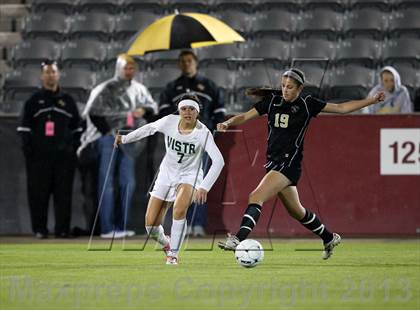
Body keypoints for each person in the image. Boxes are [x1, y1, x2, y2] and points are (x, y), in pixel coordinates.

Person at [217, 68, 385, 260]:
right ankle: (329, 237)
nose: (285, 90)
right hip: (273, 162)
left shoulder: (307, 104)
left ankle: (238, 239)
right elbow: (246, 116)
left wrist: (371, 100)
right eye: (283, 86)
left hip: (289, 163)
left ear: (300, 88)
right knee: (296, 211)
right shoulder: (273, 101)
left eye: (289, 87)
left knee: (256, 196)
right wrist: (229, 122)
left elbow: (342, 109)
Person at [115, 95, 225, 265]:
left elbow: (219, 161)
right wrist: (124, 138)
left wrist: (204, 187)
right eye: (184, 108)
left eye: (191, 109)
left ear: (198, 112)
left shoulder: (203, 133)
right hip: (167, 174)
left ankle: (173, 254)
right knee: (150, 225)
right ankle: (167, 244)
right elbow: (148, 128)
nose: (187, 112)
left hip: (190, 176)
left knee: (179, 210)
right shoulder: (169, 122)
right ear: (179, 110)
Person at [79, 54, 157, 239]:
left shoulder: (139, 89)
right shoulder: (106, 88)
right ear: (118, 68)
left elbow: (153, 109)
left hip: (130, 139)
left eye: (132, 68)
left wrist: (143, 110)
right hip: (108, 139)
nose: (129, 71)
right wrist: (108, 132)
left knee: (127, 182)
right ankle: (107, 228)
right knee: (107, 183)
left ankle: (121, 226)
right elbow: (93, 113)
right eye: (126, 67)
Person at [159, 50, 226, 236]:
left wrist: (211, 135)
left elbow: (219, 113)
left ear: (196, 62)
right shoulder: (171, 87)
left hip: (200, 142)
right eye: (182, 61)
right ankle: (183, 224)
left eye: (189, 60)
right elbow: (163, 113)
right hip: (178, 144)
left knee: (199, 183)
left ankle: (198, 224)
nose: (186, 64)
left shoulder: (209, 85)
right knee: (178, 184)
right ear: (179, 64)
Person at [17, 60, 82, 239]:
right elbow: (23, 130)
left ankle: (62, 230)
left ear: (58, 74)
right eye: (47, 72)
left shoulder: (68, 101)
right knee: (38, 195)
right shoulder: (33, 101)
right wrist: (30, 153)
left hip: (63, 159)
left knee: (63, 195)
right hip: (39, 159)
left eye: (53, 72)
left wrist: (71, 149)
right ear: (41, 75)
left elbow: (78, 129)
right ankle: (40, 229)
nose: (50, 75)